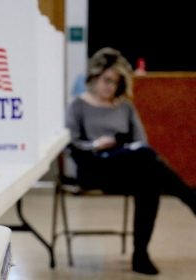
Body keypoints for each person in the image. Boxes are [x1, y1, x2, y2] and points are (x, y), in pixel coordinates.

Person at [65, 47, 196, 275]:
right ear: (94, 77)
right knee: (147, 161)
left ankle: (140, 254)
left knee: (149, 182)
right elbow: (70, 143)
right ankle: (191, 198)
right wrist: (95, 144)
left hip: (125, 165)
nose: (110, 87)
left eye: (115, 82)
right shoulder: (78, 105)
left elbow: (141, 141)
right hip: (94, 167)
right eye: (107, 80)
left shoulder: (124, 106)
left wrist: (121, 145)